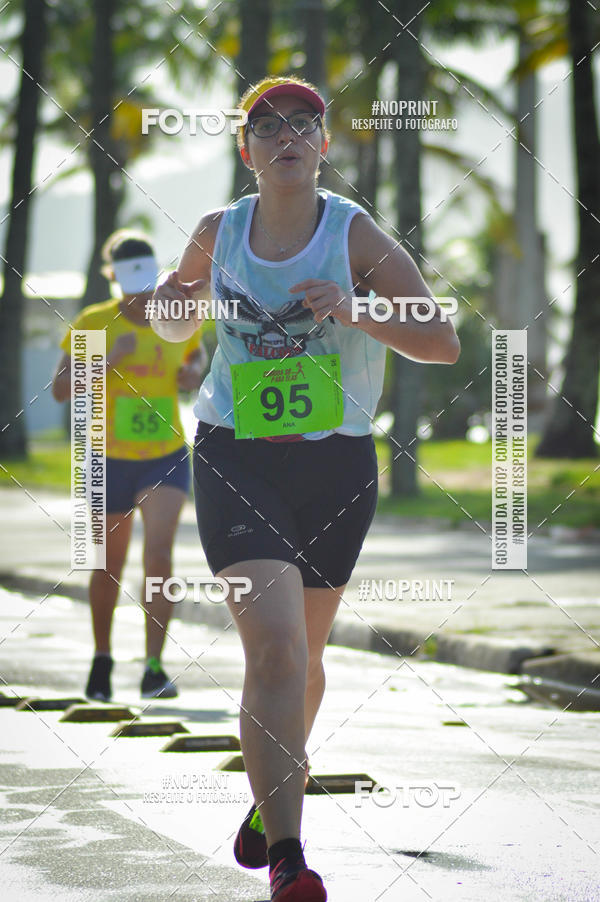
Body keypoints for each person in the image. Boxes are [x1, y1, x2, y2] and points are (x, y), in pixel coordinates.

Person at [151, 76, 460, 902]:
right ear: (245, 149)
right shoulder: (219, 231)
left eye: (303, 124)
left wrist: (356, 308)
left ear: (324, 145)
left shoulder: (355, 235)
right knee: (278, 648)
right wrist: (173, 306)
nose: (285, 135)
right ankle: (290, 856)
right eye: (266, 125)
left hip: (335, 465)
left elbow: (442, 341)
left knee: (309, 659)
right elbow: (177, 320)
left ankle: (268, 800)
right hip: (233, 455)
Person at [52, 230, 207, 702]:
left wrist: (194, 371)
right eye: (126, 275)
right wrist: (102, 362)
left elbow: (195, 353)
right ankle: (102, 659)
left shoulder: (174, 316)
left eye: (143, 272)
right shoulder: (93, 322)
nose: (136, 285)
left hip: (163, 454)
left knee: (159, 557)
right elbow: (60, 389)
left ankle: (154, 666)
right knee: (108, 565)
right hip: (106, 458)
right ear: (113, 276)